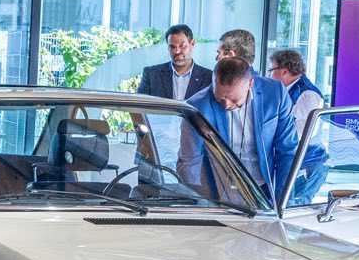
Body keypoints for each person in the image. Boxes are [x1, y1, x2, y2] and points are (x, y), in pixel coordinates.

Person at [185, 55, 299, 203]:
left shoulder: (275, 93)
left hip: (264, 186)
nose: (226, 105)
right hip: (217, 190)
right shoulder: (197, 106)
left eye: (234, 99)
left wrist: (283, 201)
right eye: (220, 98)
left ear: (250, 83)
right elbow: (190, 160)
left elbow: (287, 150)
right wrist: (193, 201)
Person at [269, 47, 331, 205]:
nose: (270, 75)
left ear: (284, 71)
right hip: (299, 161)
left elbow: (304, 132)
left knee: (295, 207)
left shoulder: (307, 94)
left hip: (308, 163)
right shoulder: (290, 90)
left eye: (271, 70)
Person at [137, 24, 212, 100]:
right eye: (172, 47)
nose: (177, 51)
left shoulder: (209, 78)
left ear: (192, 44)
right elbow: (138, 104)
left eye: (182, 46)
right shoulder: (151, 74)